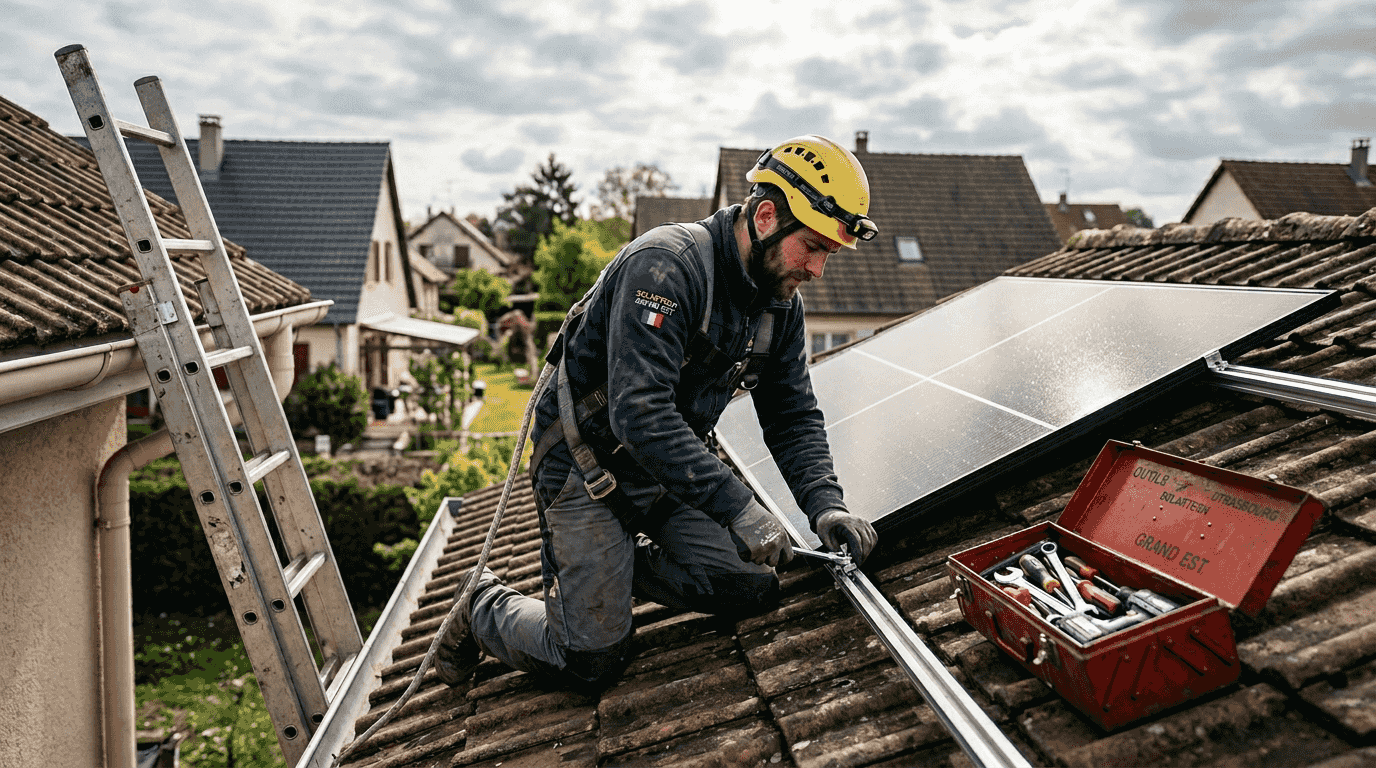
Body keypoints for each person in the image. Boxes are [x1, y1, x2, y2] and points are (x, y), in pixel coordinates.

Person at [436, 134, 879, 690]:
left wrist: (825, 509)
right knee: (591, 661)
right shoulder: (666, 268)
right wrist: (737, 505)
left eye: (828, 255)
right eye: (812, 247)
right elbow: (639, 413)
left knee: (752, 585)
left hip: (667, 473)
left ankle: (614, 568)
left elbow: (791, 415)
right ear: (767, 217)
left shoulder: (778, 307)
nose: (817, 269)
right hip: (586, 468)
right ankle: (483, 606)